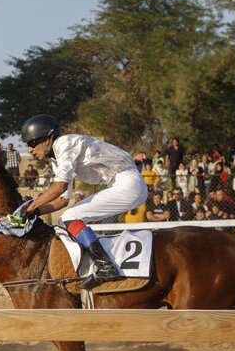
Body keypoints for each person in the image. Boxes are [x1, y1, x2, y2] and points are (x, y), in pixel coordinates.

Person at [18, 114, 147, 289]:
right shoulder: (57, 160)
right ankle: (98, 263)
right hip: (120, 183)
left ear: (47, 139)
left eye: (32, 143)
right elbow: (63, 201)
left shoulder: (64, 144)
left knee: (71, 217)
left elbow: (60, 187)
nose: (30, 150)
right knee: (66, 218)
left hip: (128, 182)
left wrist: (31, 206)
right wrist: (35, 212)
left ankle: (106, 266)